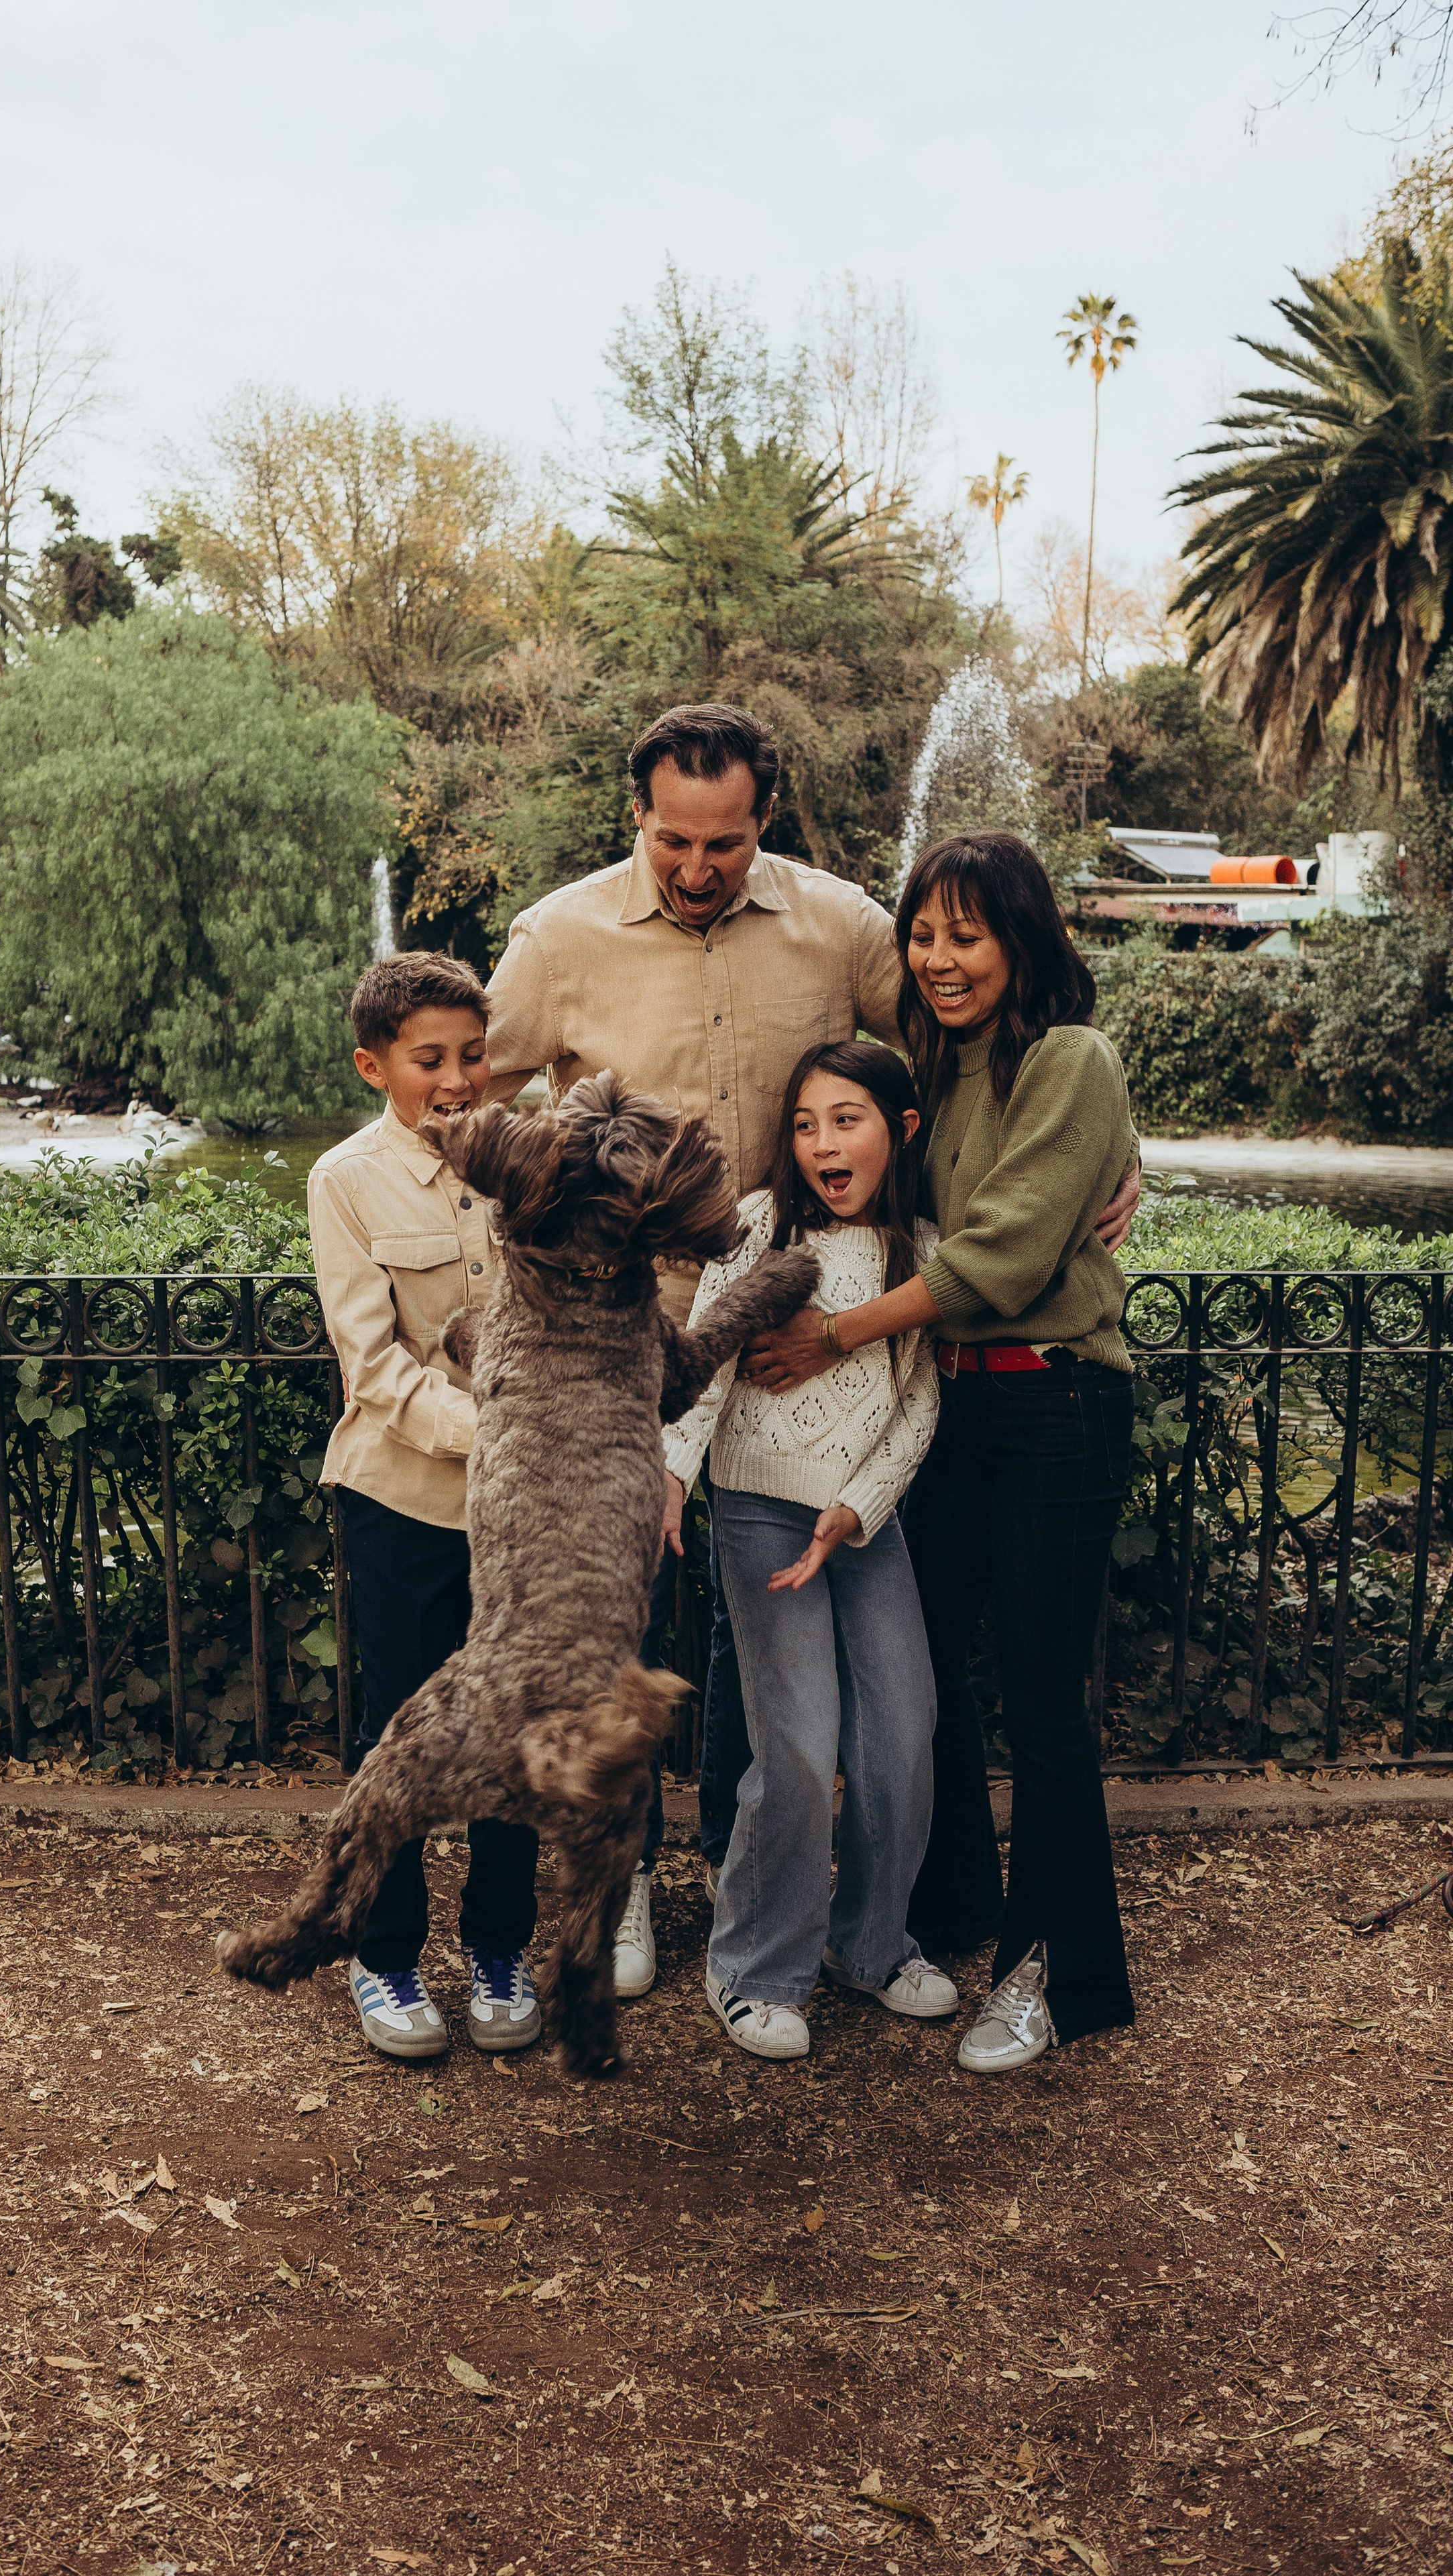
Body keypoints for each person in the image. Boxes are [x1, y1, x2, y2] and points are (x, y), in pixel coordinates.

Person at [483, 702, 1139, 1998]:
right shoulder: (557, 938)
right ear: (639, 815)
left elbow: (977, 1042)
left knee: (758, 1641)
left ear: (762, 821)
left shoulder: (844, 924)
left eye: (723, 842)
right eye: (674, 838)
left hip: (803, 1333)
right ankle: (618, 1887)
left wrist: (1116, 1159)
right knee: (603, 1624)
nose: (696, 866)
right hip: (622, 1336)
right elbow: (464, 1098)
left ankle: (759, 1888)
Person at [742, 830, 1137, 2071]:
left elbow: (1003, 1256)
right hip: (957, 1409)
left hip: (1054, 1407)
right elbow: (893, 1203)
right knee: (932, 1688)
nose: (941, 956)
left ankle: (1053, 1974)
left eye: (969, 933)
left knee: (1043, 1707)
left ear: (1026, 939)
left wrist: (833, 1336)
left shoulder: (1070, 1058)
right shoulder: (943, 1068)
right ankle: (955, 1913)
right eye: (925, 932)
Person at [661, 1042, 947, 2061]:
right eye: (806, 1123)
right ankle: (753, 1966)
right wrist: (671, 1478)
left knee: (905, 1728)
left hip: (865, 1525)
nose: (824, 1140)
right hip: (759, 1515)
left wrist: (859, 1508)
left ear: (902, 1129)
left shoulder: (923, 1247)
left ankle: (868, 1945)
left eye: (848, 1118)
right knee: (798, 1741)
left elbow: (918, 1405)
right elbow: (703, 1365)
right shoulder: (757, 1229)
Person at [308, 951, 540, 2062]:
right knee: (399, 1728)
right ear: (375, 1065)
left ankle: (501, 1945)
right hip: (402, 1498)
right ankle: (385, 1953)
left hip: (523, 1514)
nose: (459, 1079)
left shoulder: (524, 1159)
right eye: (430, 1059)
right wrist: (498, 1432)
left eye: (473, 1054)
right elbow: (374, 1367)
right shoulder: (346, 1180)